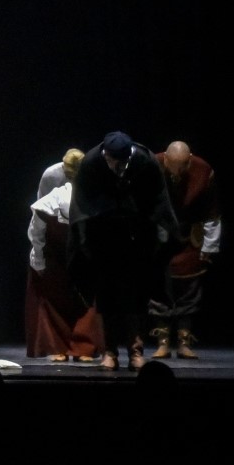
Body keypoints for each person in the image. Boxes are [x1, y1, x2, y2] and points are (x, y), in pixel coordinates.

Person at [70, 131, 175, 370]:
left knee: (136, 296)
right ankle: (109, 351)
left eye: (119, 162)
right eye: (110, 160)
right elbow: (81, 202)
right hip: (103, 238)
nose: (114, 166)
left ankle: (135, 350)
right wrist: (83, 241)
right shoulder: (92, 162)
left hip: (137, 237)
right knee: (106, 296)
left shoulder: (145, 161)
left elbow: (159, 199)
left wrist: (159, 235)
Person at [26, 149, 102, 362]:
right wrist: (39, 260)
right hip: (58, 256)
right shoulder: (56, 197)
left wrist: (38, 259)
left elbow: (36, 232)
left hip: (77, 255)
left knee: (78, 299)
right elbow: (37, 232)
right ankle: (69, 347)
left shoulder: (88, 196)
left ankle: (77, 346)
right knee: (65, 299)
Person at [151, 141, 220, 359]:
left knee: (189, 290)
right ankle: (162, 341)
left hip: (189, 236)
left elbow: (212, 212)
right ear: (165, 159)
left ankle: (183, 341)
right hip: (159, 236)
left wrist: (210, 245)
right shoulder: (151, 165)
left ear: (189, 161)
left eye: (182, 168)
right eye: (172, 168)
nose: (177, 174)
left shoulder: (203, 171)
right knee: (158, 288)